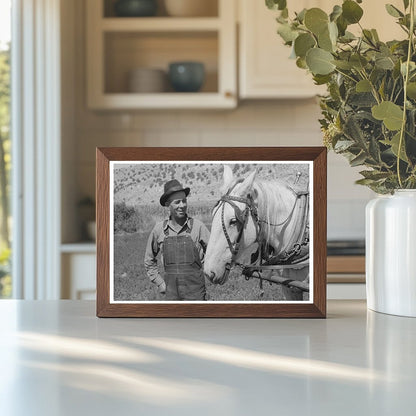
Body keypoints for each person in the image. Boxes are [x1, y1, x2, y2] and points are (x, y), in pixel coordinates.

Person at [144, 179, 210, 301]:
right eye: (177, 202)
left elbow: (214, 254)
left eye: (184, 201)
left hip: (196, 292)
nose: (182, 206)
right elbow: (149, 260)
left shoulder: (198, 227)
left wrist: (207, 275)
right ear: (168, 205)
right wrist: (160, 283)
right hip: (171, 293)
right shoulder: (159, 230)